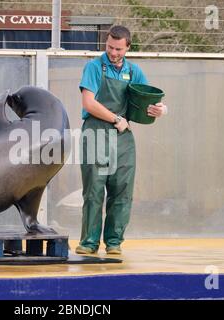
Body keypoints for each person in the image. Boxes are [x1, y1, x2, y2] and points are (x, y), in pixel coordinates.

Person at [76, 25, 167, 255]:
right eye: (109, 47)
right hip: (97, 131)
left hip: (123, 137)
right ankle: (88, 242)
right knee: (95, 189)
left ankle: (114, 242)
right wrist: (116, 118)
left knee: (122, 189)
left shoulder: (134, 72)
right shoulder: (95, 67)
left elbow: (148, 101)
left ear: (128, 47)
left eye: (118, 49)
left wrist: (161, 109)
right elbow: (89, 103)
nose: (113, 52)